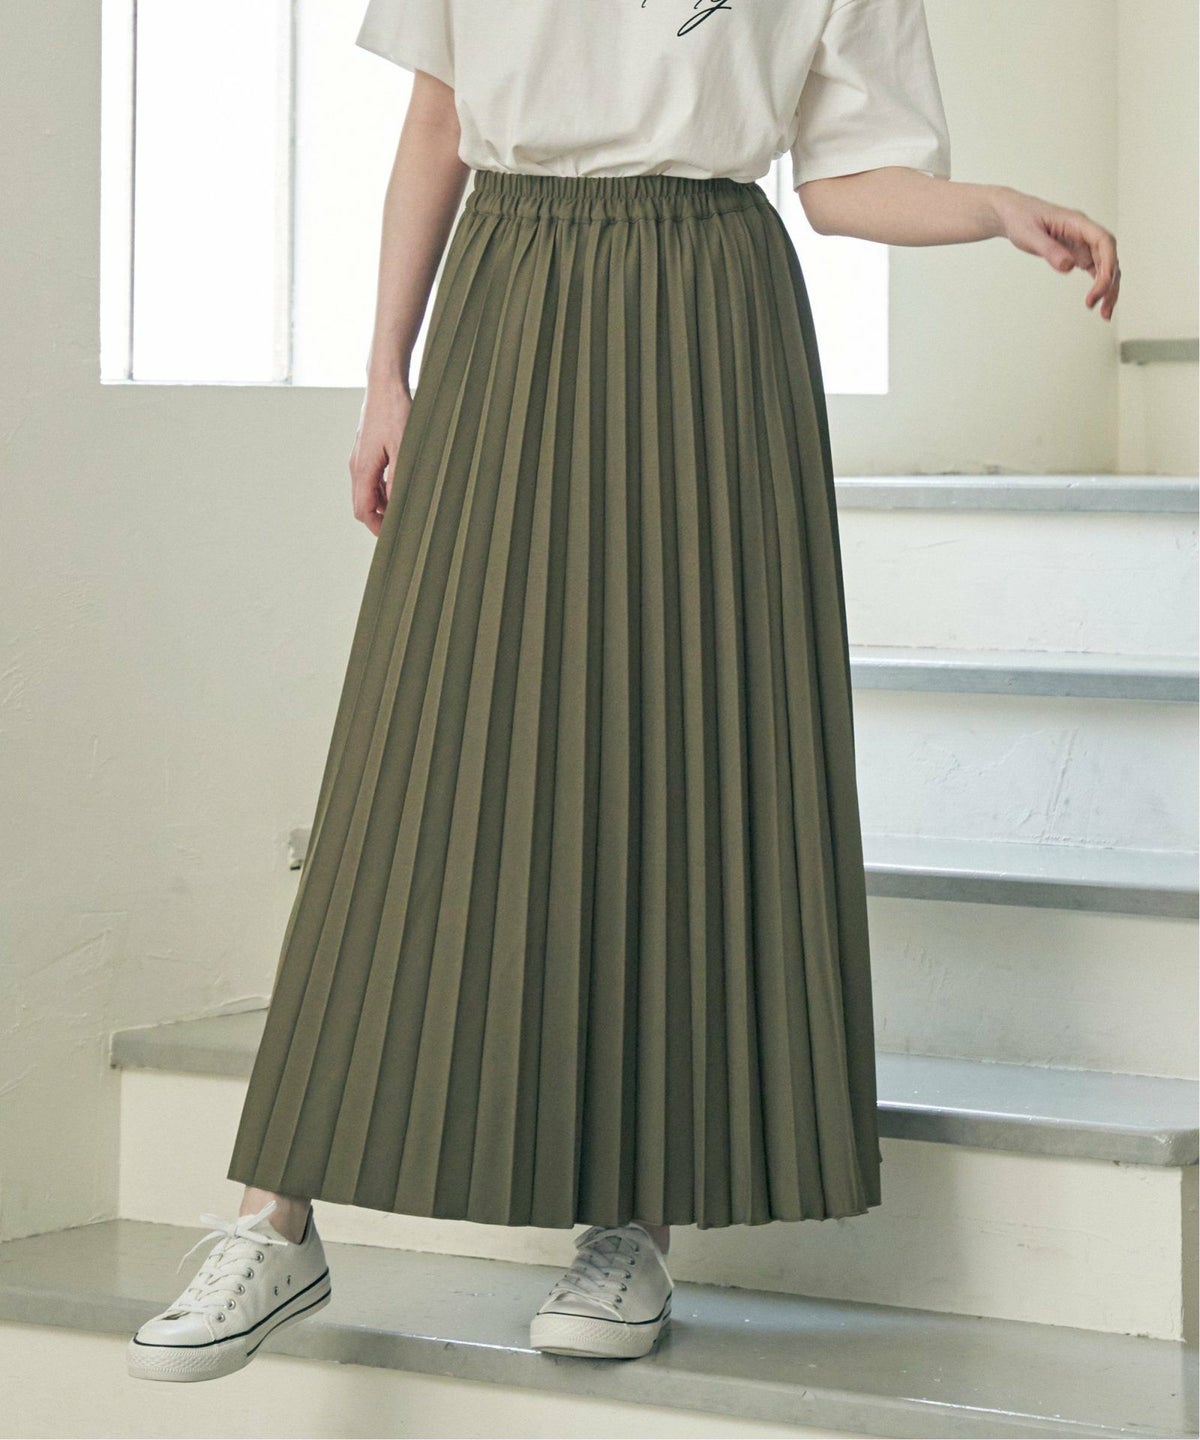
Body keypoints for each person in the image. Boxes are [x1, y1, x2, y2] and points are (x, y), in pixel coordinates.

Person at [126, 0, 1120, 1385]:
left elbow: (845, 180)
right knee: (420, 752)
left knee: (681, 743)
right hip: (509, 284)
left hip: (713, 307)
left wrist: (990, 208)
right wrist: (385, 375)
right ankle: (274, 1219)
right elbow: (438, 116)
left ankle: (634, 1223)